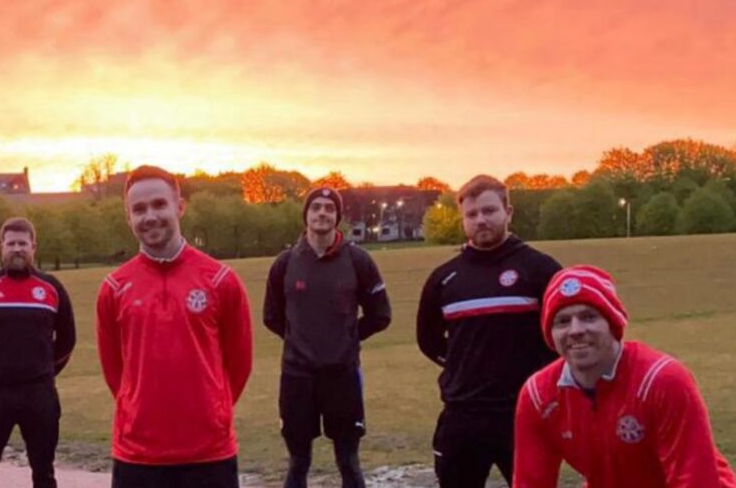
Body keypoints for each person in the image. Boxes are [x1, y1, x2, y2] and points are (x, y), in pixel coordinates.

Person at [513, 265, 736, 487]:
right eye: (563, 321)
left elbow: (695, 480)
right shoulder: (538, 396)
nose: (576, 330)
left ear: (612, 324)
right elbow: (530, 483)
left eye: (589, 317)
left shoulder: (661, 380)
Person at [96, 165, 254, 488]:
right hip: (137, 456)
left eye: (159, 204)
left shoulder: (221, 281)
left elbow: (239, 364)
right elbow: (115, 372)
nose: (150, 216)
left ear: (179, 207)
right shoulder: (113, 288)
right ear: (128, 218)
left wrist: (212, 412)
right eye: (139, 209)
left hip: (209, 455)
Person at [416, 174, 563, 487]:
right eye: (472, 214)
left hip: (523, 412)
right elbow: (428, 340)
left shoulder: (540, 269)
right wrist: (461, 366)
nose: (480, 220)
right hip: (462, 415)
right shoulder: (445, 279)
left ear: (508, 212)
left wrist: (539, 377)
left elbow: (563, 333)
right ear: (463, 220)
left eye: (489, 210)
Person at [264, 187, 392, 488]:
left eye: (329, 208)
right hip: (297, 378)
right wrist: (300, 339)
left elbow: (381, 315)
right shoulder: (285, 263)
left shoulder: (358, 260)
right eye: (316, 207)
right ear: (306, 215)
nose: (322, 213)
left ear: (337, 216)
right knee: (298, 463)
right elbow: (271, 317)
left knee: (348, 462)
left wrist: (346, 338)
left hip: (342, 376)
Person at [0, 216, 76, 488]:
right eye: (11, 243)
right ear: (1, 247)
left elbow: (67, 340)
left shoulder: (51, 289)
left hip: (39, 394)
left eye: (23, 244)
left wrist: (44, 370)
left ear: (33, 247)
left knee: (44, 473)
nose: (17, 249)